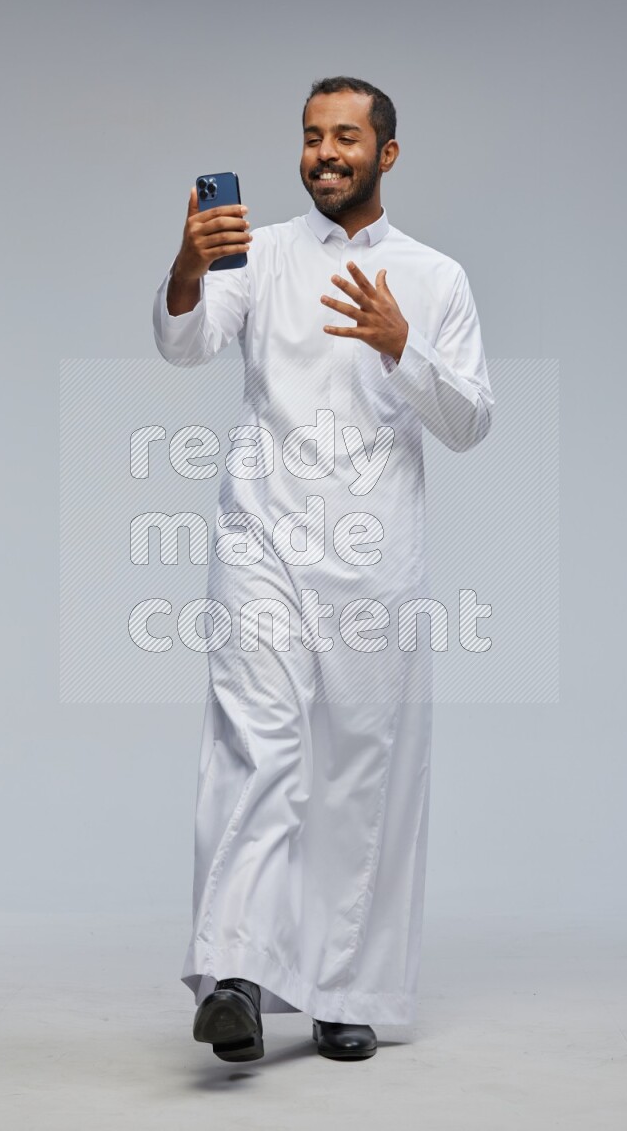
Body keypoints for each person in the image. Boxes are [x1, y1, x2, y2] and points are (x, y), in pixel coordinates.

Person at [152, 76, 494, 1063]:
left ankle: (345, 985)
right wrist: (186, 263)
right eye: (310, 137)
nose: (323, 153)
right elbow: (185, 341)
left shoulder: (434, 277)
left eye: (345, 137)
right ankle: (234, 976)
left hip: (373, 557)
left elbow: (469, 419)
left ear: (386, 153)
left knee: (359, 768)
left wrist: (402, 347)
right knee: (255, 749)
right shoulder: (254, 255)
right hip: (259, 538)